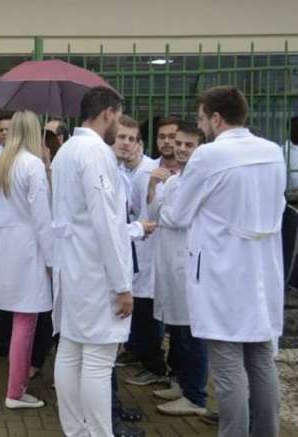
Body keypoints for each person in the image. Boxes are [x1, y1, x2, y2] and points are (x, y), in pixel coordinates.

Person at [166, 86, 285, 437]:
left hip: (222, 270)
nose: (201, 127)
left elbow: (179, 214)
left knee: (228, 361)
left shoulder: (209, 156)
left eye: (202, 119)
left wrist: (168, 196)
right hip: (262, 269)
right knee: (261, 357)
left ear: (216, 118)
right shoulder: (273, 151)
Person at [51, 86, 133, 436]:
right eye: (119, 118)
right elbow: (107, 223)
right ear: (108, 113)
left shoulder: (66, 150)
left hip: (71, 266)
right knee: (98, 359)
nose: (120, 127)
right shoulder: (96, 152)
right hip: (95, 271)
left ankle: (75, 430)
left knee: (70, 350)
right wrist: (122, 285)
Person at [0, 110, 53, 408]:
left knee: (16, 317)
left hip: (3, 245)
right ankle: (16, 390)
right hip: (30, 248)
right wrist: (51, 259)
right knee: (26, 319)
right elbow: (42, 218)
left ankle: (16, 386)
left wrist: (3, 225)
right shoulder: (32, 165)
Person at [146, 120, 209, 416]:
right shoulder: (172, 180)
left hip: (189, 263)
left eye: (188, 145)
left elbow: (178, 219)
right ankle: (181, 382)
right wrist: (155, 186)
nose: (181, 149)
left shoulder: (201, 179)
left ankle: (195, 395)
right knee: (177, 330)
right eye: (178, 143)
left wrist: (167, 213)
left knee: (191, 333)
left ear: (200, 148)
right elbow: (156, 213)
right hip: (170, 262)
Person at [111, 117, 167, 388]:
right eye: (121, 137)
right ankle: (139, 354)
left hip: (145, 248)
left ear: (140, 144)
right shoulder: (117, 171)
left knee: (147, 312)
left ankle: (154, 364)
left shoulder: (148, 171)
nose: (126, 144)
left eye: (132, 139)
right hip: (128, 248)